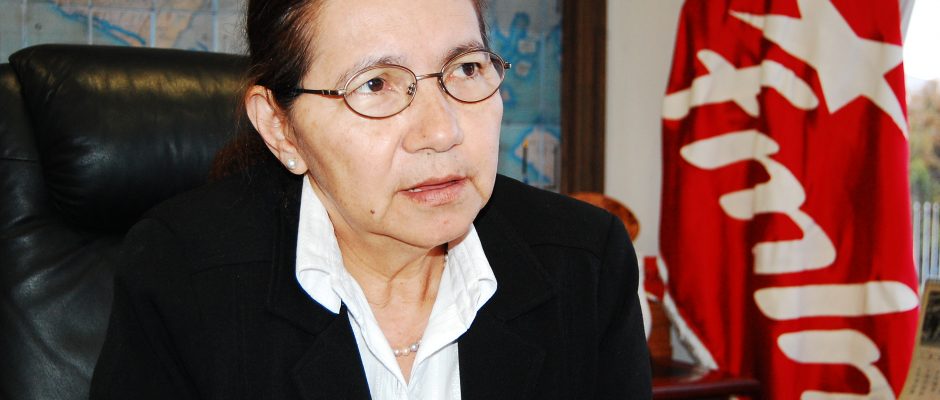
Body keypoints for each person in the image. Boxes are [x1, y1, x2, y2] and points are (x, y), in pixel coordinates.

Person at [90, 0, 652, 398]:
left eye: (466, 68)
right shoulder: (183, 276)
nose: (442, 131)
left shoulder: (585, 261)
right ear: (281, 130)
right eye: (376, 84)